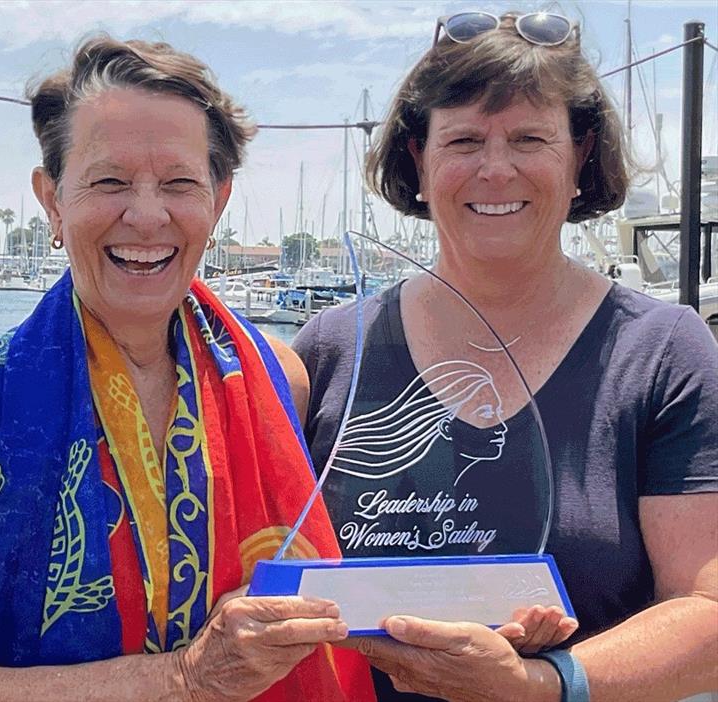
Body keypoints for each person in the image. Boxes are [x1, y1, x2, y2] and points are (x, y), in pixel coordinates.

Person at [0, 36, 376, 702]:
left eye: (179, 184)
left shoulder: (281, 379)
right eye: (108, 181)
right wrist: (183, 680)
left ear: (217, 201)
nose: (146, 215)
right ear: (52, 199)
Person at [293, 11, 717, 702]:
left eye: (529, 138)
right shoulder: (331, 348)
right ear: (417, 160)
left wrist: (543, 685)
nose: (496, 168)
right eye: (463, 139)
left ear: (579, 156)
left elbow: (708, 613)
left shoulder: (664, 352)